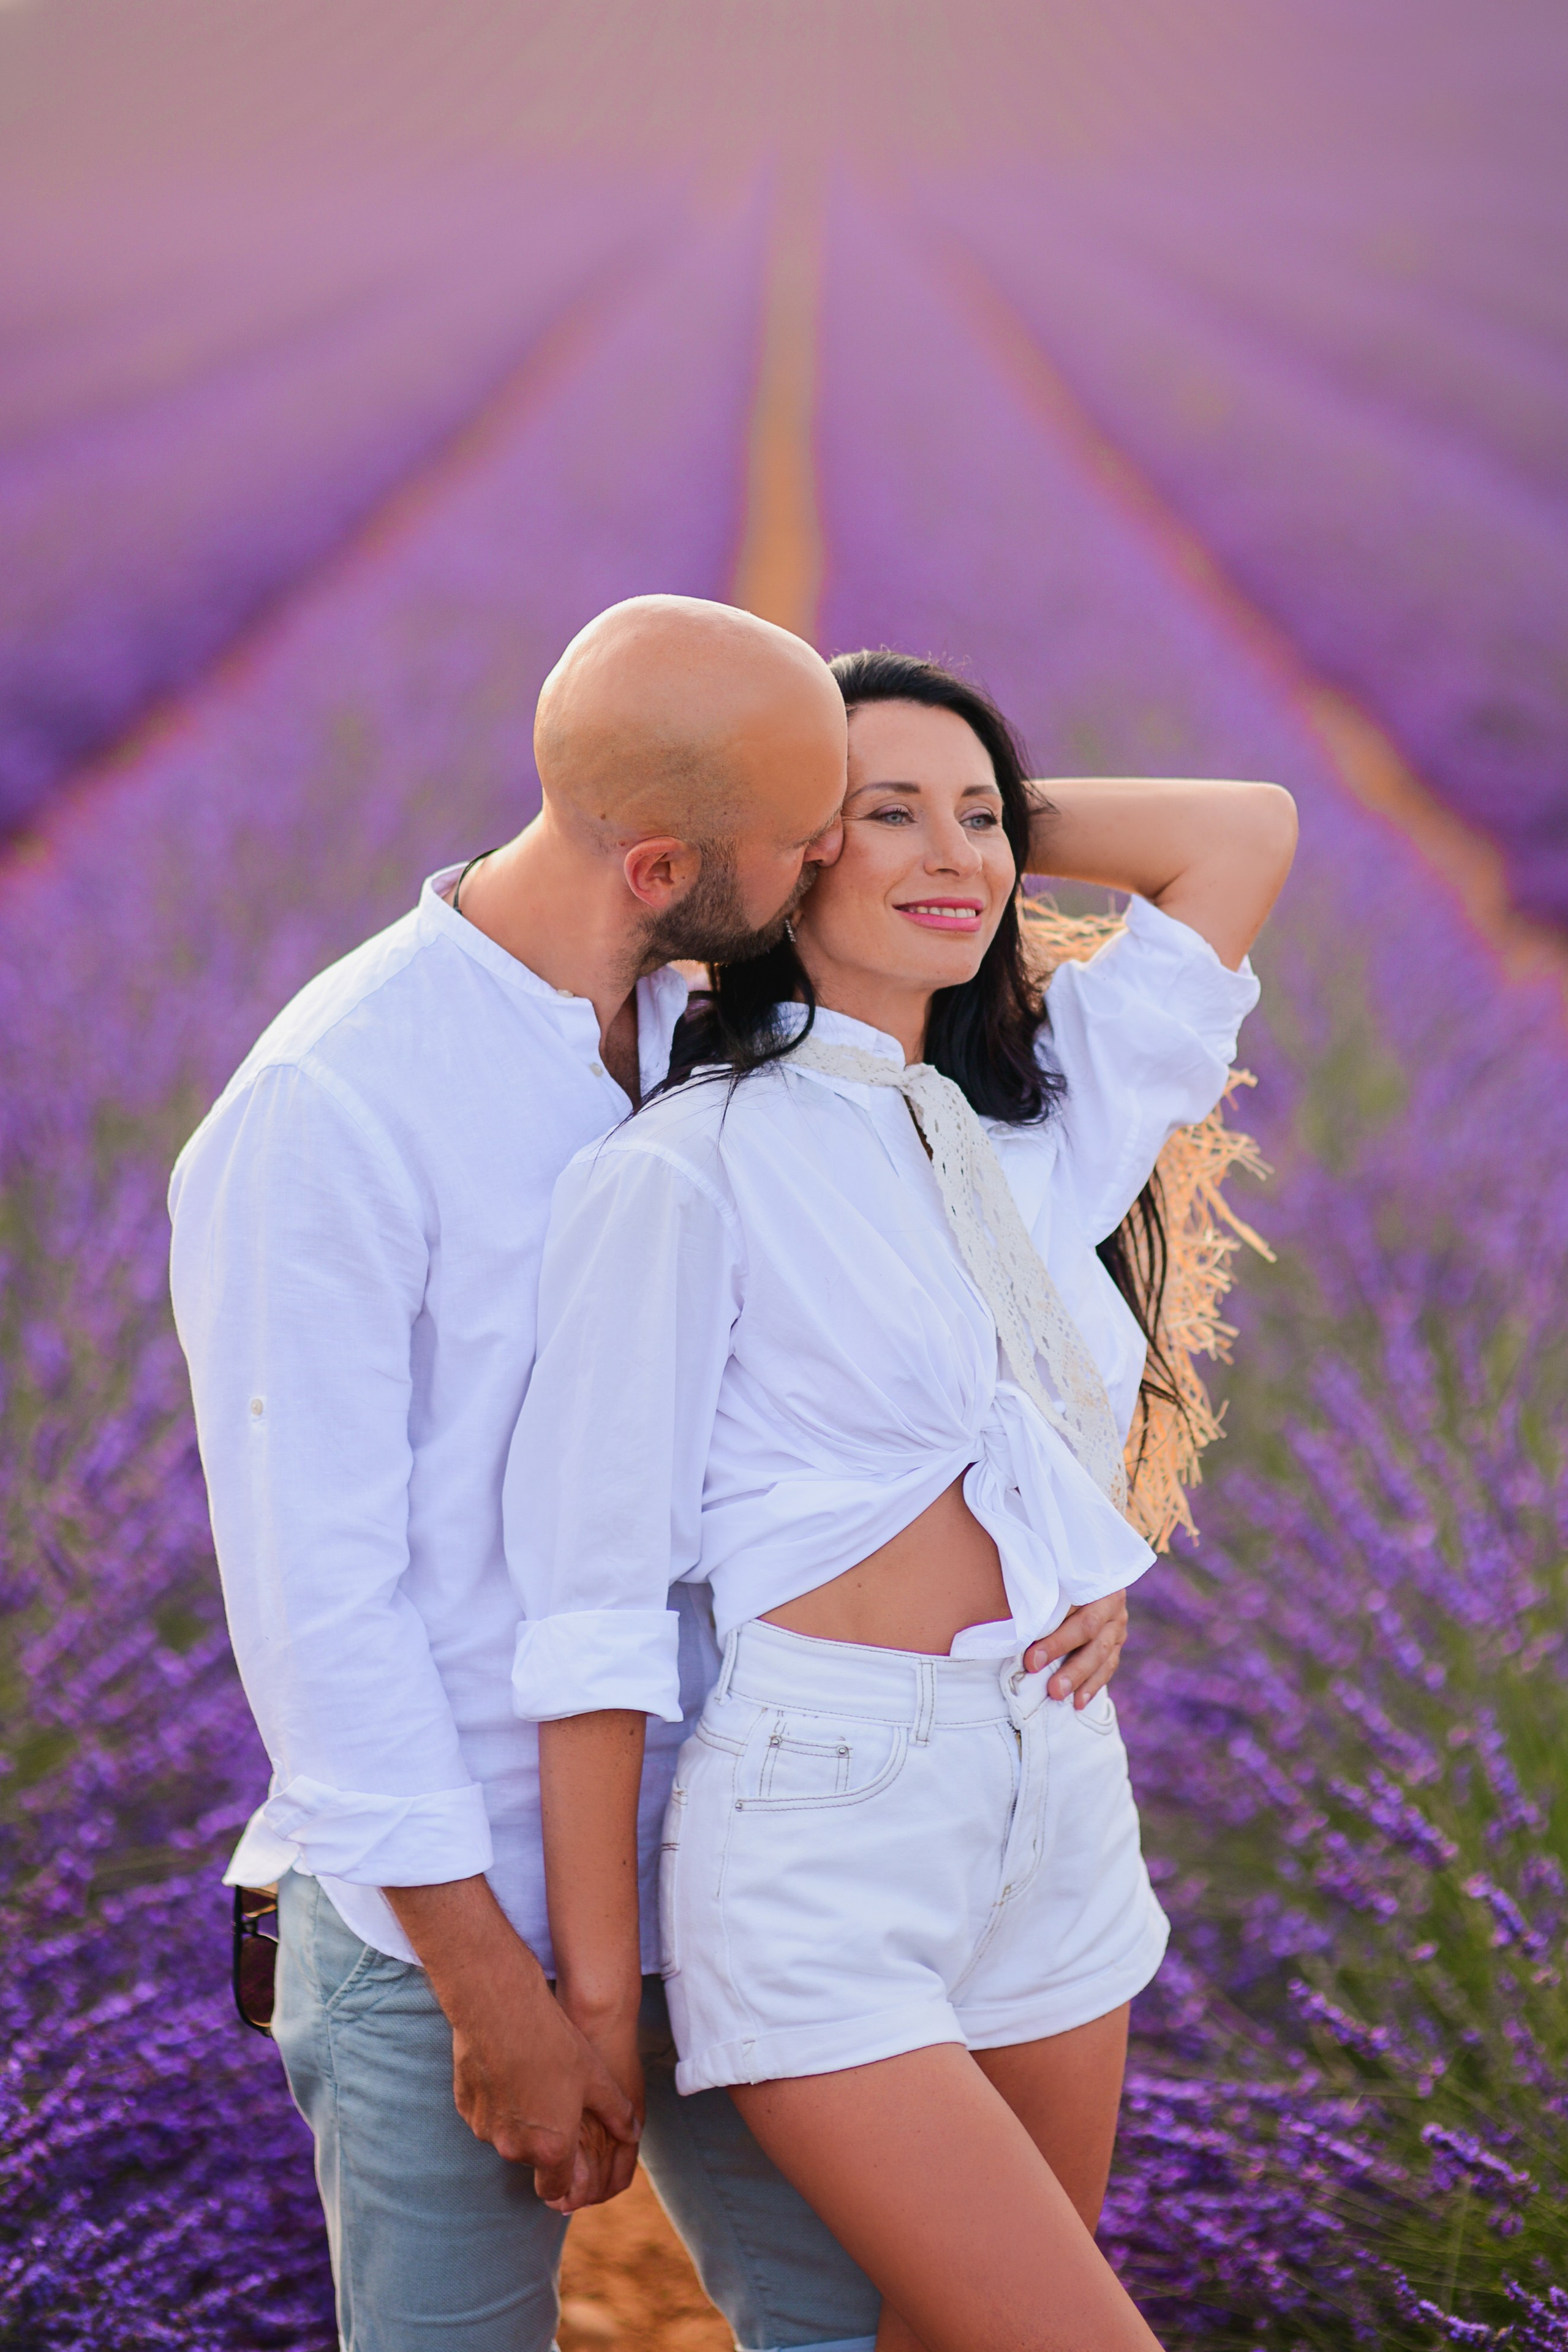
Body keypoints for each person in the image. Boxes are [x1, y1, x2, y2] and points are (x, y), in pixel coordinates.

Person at [505, 650, 1297, 2351]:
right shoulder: (684, 1165)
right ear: (789, 855)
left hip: (1059, 1796)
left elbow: (1246, 831)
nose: (959, 858)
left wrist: (973, 814)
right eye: (886, 818)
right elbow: (590, 1607)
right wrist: (586, 1997)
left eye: (984, 820)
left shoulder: (1041, 1126)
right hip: (820, 1830)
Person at [168, 595, 889, 2352]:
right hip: (449, 1913)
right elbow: (313, 1595)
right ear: (658, 866)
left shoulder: (708, 1027)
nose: (838, 873)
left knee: (850, 2317)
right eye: (812, 842)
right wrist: (495, 1985)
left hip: (730, 1870)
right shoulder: (334, 1104)